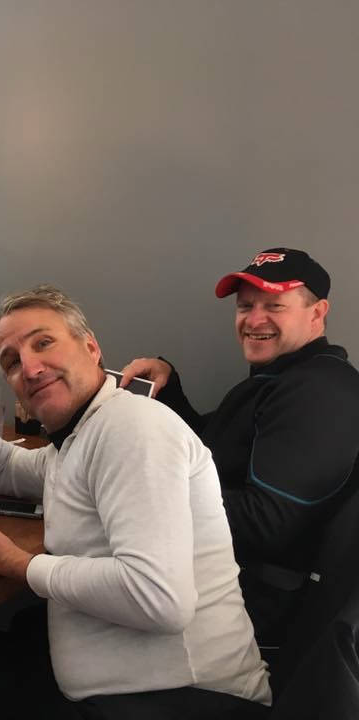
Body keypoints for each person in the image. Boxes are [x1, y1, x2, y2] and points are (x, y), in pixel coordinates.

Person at [0, 286, 270, 719]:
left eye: (43, 343)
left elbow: (159, 598)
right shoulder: (84, 433)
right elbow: (14, 470)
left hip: (188, 698)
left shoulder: (131, 426)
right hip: (124, 681)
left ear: (91, 347)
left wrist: (21, 566)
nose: (30, 366)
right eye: (11, 361)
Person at [120, 248, 359, 647]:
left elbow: (266, 525)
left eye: (274, 306)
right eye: (245, 306)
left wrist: (141, 492)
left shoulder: (319, 393)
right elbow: (212, 454)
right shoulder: (279, 380)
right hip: (215, 588)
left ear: (317, 313)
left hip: (249, 620)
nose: (254, 320)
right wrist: (169, 389)